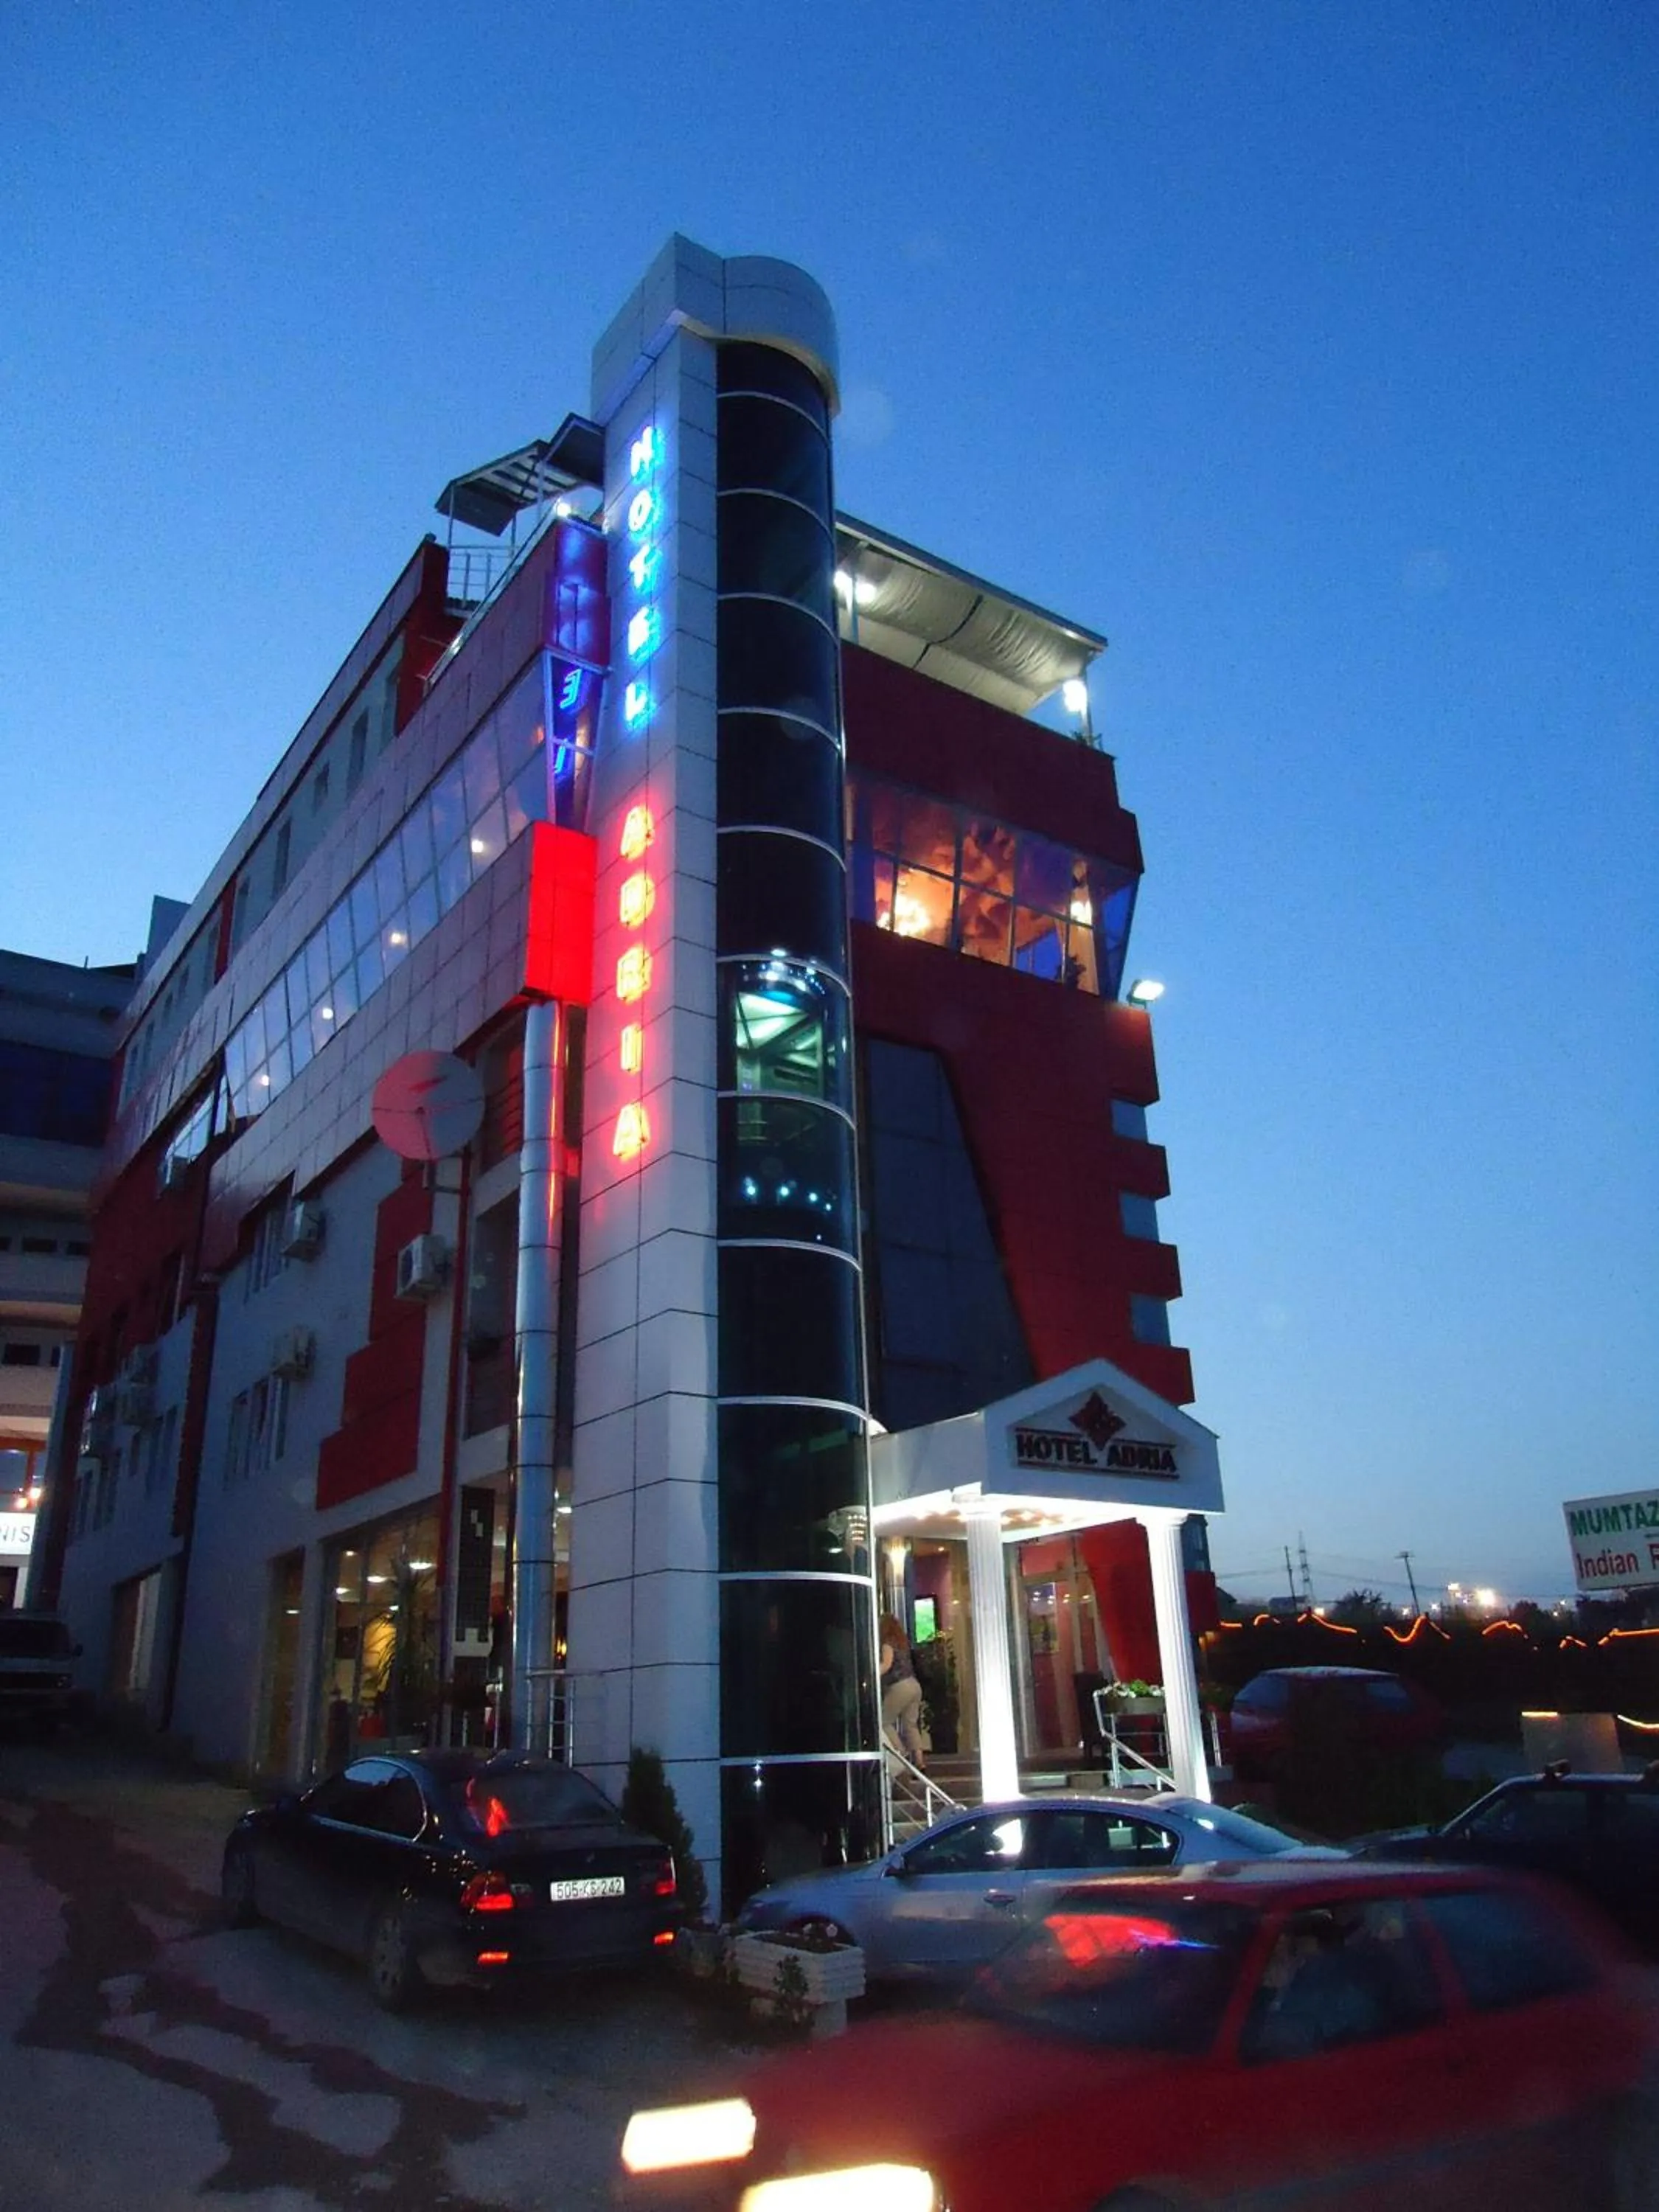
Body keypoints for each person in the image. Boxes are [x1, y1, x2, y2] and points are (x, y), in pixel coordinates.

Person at [880, 1613, 926, 1768]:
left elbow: (886, 1665)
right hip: (914, 1685)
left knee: (884, 1721)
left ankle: (902, 1755)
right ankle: (920, 1762)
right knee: (911, 1725)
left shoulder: (887, 1644)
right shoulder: (902, 1643)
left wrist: (871, 1673)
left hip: (900, 1685)